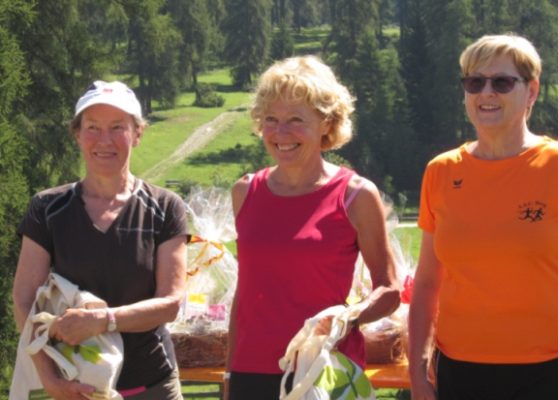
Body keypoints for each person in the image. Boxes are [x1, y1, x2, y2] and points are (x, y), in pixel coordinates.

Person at [408, 33, 558, 400]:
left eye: (502, 82)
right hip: (458, 367)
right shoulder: (440, 171)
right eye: (475, 82)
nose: (486, 93)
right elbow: (427, 283)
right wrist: (417, 366)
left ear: (531, 91)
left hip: (550, 369)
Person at [225, 55, 401, 400]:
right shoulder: (245, 191)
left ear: (327, 122)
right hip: (252, 370)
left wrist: (346, 320)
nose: (281, 133)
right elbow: (244, 295)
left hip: (323, 369)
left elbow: (390, 289)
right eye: (271, 120)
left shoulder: (356, 195)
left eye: (295, 120)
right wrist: (230, 373)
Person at [12, 80, 189, 400]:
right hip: (74, 387)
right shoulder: (47, 209)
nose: (104, 140)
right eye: (93, 127)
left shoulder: (164, 207)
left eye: (118, 127)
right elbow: (24, 300)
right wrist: (49, 379)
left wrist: (102, 321)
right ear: (77, 133)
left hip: (152, 387)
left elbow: (171, 303)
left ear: (137, 134)